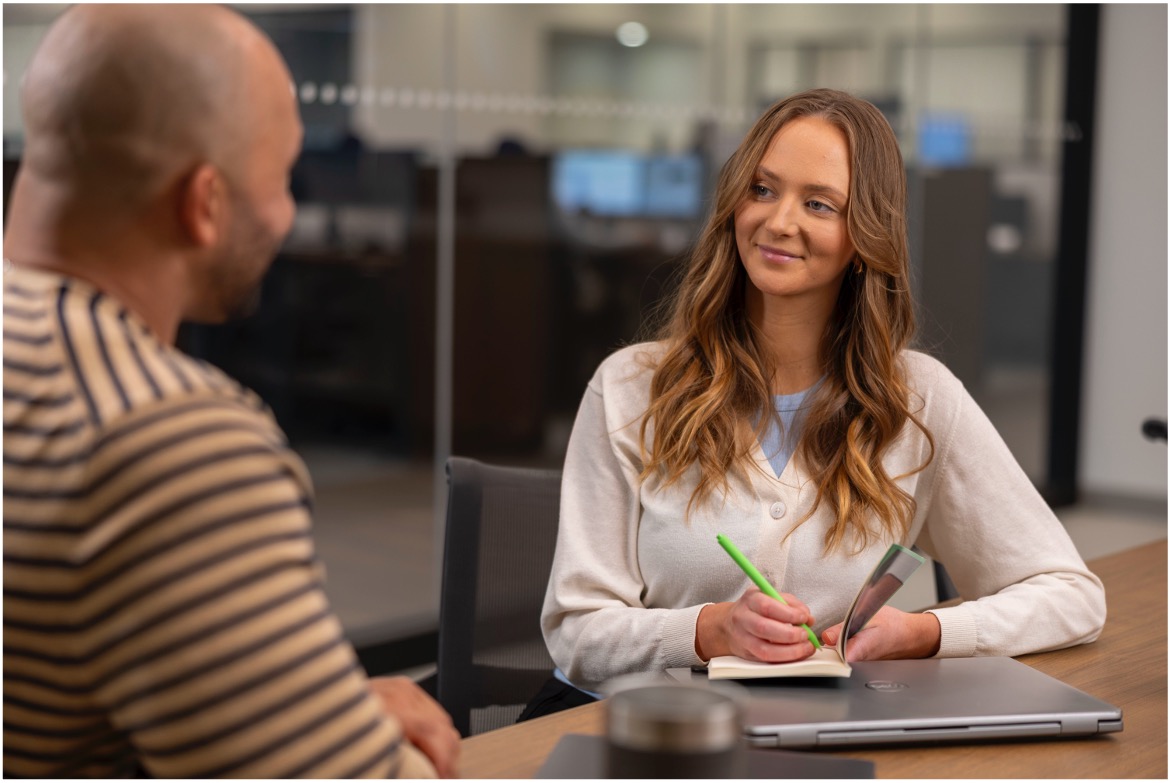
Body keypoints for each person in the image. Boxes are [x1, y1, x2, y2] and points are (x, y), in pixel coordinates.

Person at [535, 88, 1106, 707]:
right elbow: (577, 634)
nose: (780, 221)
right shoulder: (629, 387)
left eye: (819, 203)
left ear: (865, 236)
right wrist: (706, 631)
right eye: (762, 189)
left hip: (808, 736)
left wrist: (927, 633)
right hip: (638, 735)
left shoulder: (919, 401)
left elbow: (1070, 596)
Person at [3, 5, 458, 778]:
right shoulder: (168, 435)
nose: (285, 214)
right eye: (281, 178)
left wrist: (316, 708)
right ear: (204, 203)